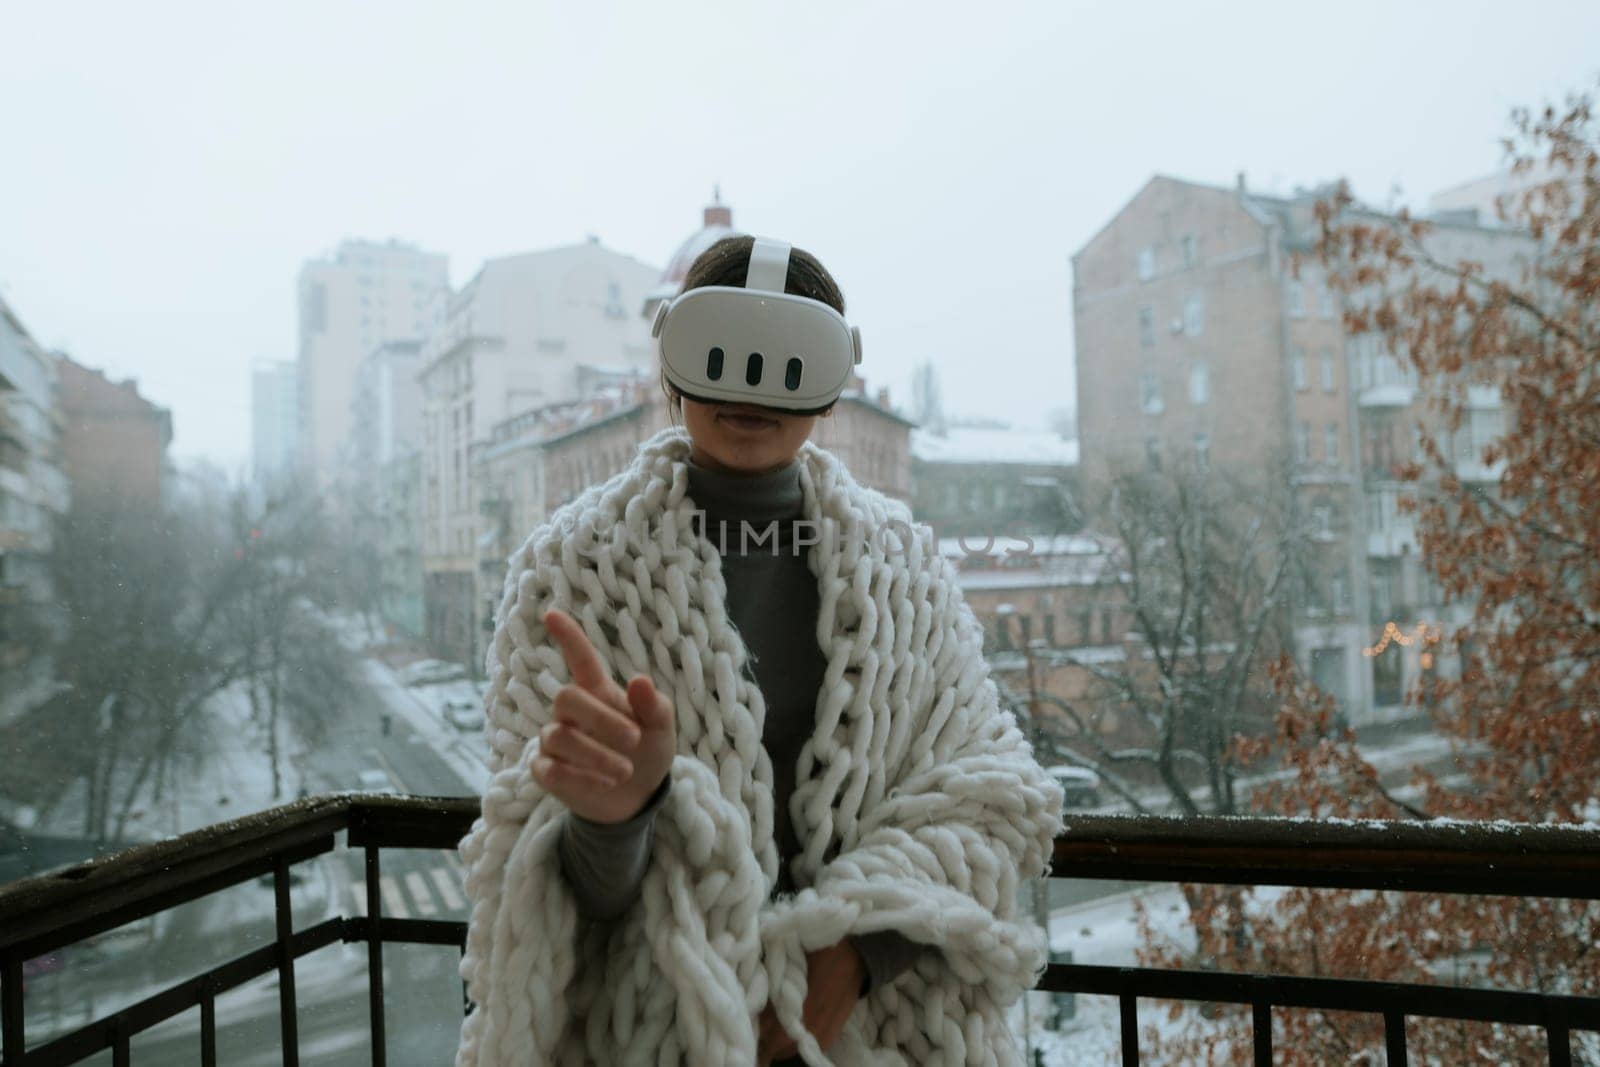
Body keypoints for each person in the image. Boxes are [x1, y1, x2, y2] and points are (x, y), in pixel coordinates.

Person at [456, 236, 1063, 1066]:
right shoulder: (569, 576)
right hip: (653, 1036)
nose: (749, 388)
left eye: (790, 359)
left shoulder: (907, 571)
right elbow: (537, 875)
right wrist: (614, 819)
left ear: (834, 381)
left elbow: (992, 795)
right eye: (719, 349)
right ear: (669, 361)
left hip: (882, 1035)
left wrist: (857, 954)